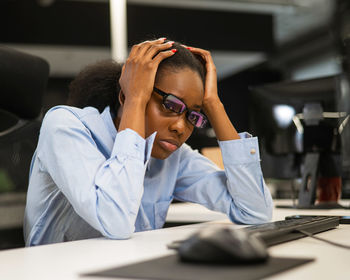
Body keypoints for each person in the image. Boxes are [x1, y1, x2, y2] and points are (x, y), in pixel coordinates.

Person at [24, 38, 273, 246]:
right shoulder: (67, 127)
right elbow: (115, 221)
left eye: (193, 116)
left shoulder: (174, 157)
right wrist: (135, 100)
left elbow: (255, 211)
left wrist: (214, 104)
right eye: (171, 105)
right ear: (127, 94)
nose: (180, 127)